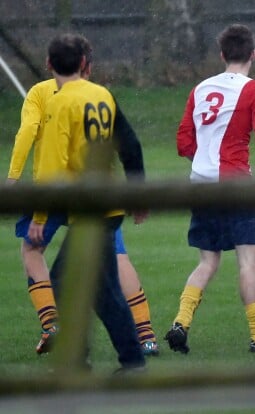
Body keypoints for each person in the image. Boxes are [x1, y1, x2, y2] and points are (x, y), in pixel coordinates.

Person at [6, 37, 159, 356]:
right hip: (101, 195)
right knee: (116, 261)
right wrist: (137, 191)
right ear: (86, 63)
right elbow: (129, 144)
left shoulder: (45, 95)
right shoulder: (101, 95)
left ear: (49, 64)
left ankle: (54, 326)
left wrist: (13, 178)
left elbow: (28, 138)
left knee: (33, 250)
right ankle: (145, 336)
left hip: (58, 194)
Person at [164, 24, 255, 353]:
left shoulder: (200, 89)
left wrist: (206, 163)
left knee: (207, 262)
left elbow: (184, 142)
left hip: (201, 184)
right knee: (248, 263)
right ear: (253, 54)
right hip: (236, 184)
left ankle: (180, 324)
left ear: (222, 54)